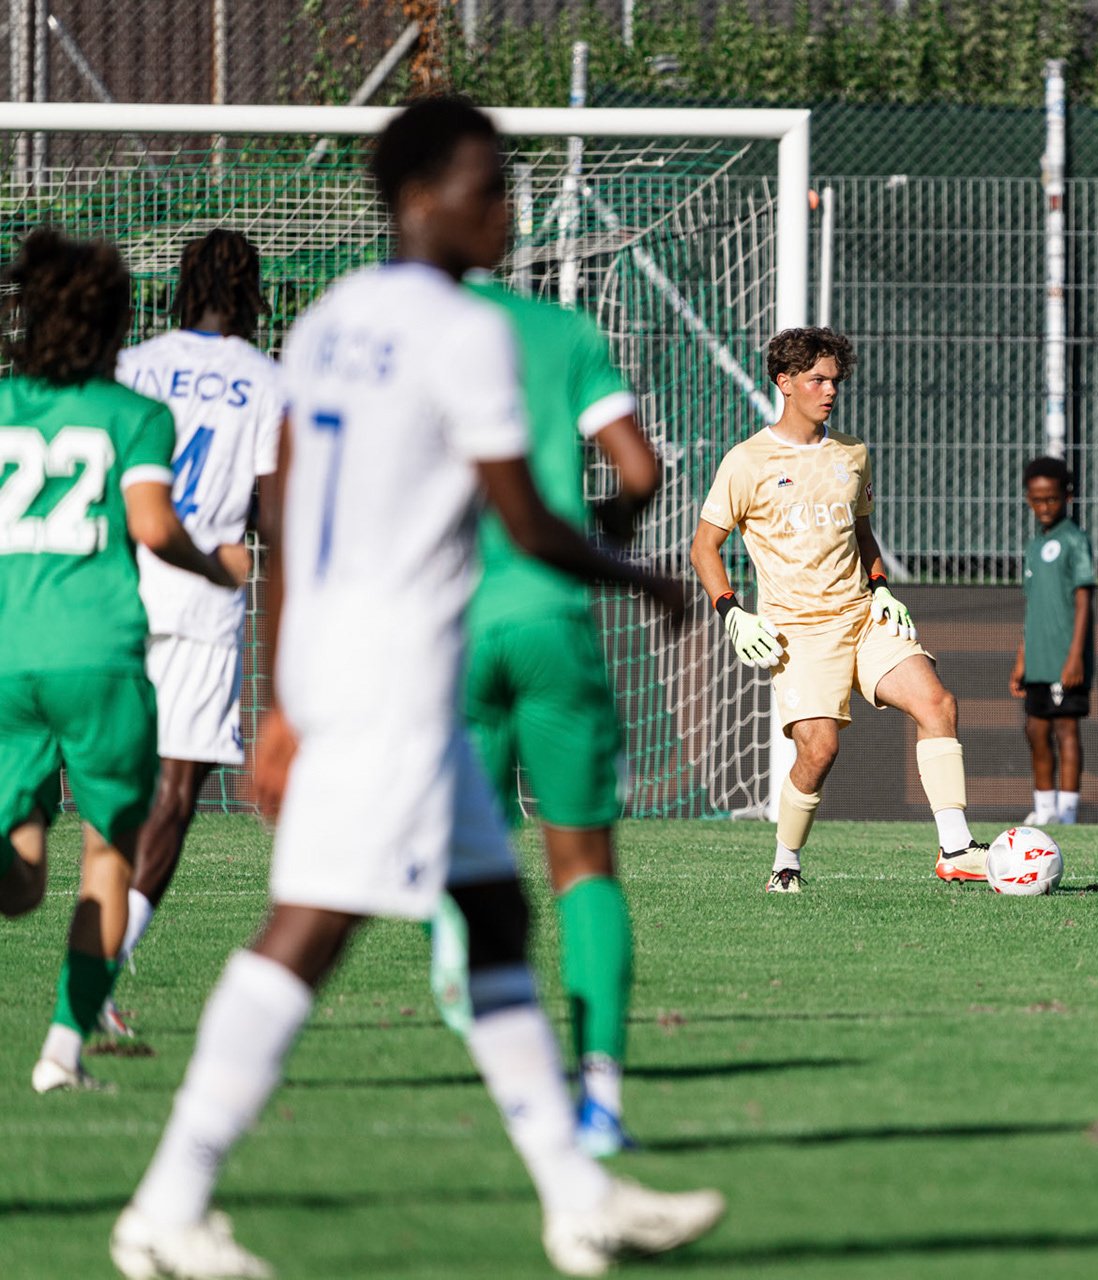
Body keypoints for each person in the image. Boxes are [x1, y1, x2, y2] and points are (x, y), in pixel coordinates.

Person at [111, 98, 722, 1279]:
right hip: (393, 674)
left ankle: (574, 1193)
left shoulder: (334, 319)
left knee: (494, 915)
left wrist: (282, 687)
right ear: (421, 196)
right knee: (311, 928)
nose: (505, 209)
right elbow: (527, 515)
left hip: (357, 664)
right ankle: (168, 1202)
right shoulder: (465, 332)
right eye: (488, 186)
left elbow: (281, 500)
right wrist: (638, 574)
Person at [0, 228, 241, 1094]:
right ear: (111, 325)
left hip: (6, 655)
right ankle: (62, 1051)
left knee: (20, 874)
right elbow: (149, 524)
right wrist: (217, 563)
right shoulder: (134, 414)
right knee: (109, 850)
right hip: (97, 656)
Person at [452, 269, 664, 1157]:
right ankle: (603, 1102)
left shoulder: (391, 331)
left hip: (447, 623)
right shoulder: (561, 330)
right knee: (583, 867)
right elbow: (640, 470)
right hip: (549, 616)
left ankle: (506, 1065)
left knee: (468, 864)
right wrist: (611, 533)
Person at [688, 327, 988, 892]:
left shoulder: (852, 453)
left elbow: (863, 532)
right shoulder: (746, 461)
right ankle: (786, 862)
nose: (829, 390)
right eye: (816, 380)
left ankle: (956, 848)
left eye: (834, 380)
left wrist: (880, 586)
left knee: (937, 701)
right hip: (798, 632)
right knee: (820, 749)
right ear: (785, 383)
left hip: (861, 615)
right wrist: (731, 609)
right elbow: (704, 548)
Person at [104, 231, 282, 1026]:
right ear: (251, 293)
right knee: (176, 793)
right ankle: (105, 964)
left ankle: (92, 947)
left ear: (182, 284)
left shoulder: (134, 365)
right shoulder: (269, 380)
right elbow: (272, 512)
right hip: (206, 599)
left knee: (108, 784)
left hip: (119, 592)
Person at [1007, 456, 1093, 826]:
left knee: (1065, 730)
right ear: (1028, 499)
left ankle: (1068, 813)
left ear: (1067, 497)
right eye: (1037, 499)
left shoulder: (1074, 541)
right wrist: (1022, 660)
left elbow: (1083, 600)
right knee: (1035, 730)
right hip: (1038, 659)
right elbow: (1033, 607)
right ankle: (1044, 810)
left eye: (1052, 499)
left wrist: (1075, 657)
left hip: (1065, 658)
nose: (1045, 506)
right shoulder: (1033, 546)